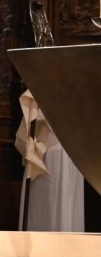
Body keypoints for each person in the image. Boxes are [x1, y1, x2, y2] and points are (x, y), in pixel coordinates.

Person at [15, 90, 84, 232]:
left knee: (62, 202)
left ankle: (64, 245)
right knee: (44, 202)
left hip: (65, 149)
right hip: (46, 148)